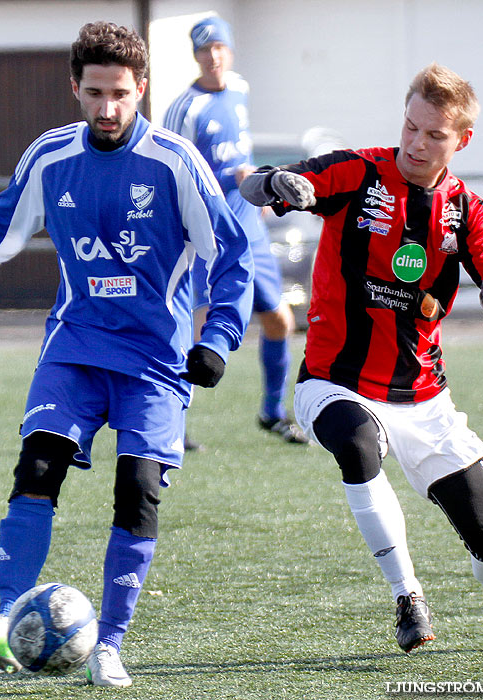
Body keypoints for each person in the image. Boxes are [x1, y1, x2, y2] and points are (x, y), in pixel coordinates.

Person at [0, 21, 253, 687]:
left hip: (155, 358)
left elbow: (231, 255)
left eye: (120, 93)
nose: (107, 108)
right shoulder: (50, 157)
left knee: (137, 490)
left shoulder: (175, 162)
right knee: (37, 463)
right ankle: (5, 624)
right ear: (75, 89)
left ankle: (109, 644)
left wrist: (217, 338)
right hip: (76, 346)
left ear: (141, 89)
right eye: (94, 93)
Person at [240, 63, 483, 654]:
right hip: (335, 381)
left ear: (461, 140)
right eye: (411, 127)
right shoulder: (357, 170)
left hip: (423, 397)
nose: (417, 143)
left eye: (434, 135)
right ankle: (407, 595)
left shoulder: (464, 209)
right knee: (359, 444)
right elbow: (254, 183)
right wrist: (276, 186)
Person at [163, 16, 307, 445]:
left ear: (230, 50)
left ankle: (271, 412)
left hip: (248, 228)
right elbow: (172, 170)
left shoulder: (240, 89)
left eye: (220, 48)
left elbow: (242, 150)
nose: (214, 57)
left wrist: (253, 195)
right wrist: (231, 177)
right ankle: (174, 422)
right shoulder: (183, 108)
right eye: (205, 50)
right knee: (200, 326)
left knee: (279, 320)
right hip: (207, 232)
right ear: (196, 56)